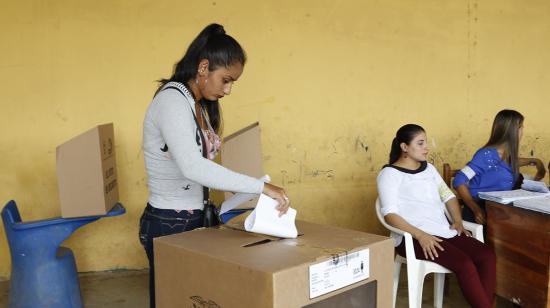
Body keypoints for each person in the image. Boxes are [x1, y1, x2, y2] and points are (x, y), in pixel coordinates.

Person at [139, 23, 290, 308]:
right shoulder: (172, 100)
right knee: (173, 300)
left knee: (196, 298)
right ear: (204, 67)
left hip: (195, 218)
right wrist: (262, 187)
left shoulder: (197, 104)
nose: (229, 89)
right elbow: (193, 168)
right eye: (226, 80)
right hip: (170, 222)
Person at [377, 124, 496, 308]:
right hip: (412, 237)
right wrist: (420, 235)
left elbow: (448, 196)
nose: (427, 147)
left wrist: (457, 220)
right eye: (420, 143)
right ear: (404, 147)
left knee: (486, 255)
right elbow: (390, 215)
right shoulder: (389, 175)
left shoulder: (429, 169)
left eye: (426, 142)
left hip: (443, 231)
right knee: (464, 264)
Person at [453, 109, 546, 225]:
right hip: (481, 212)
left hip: (498, 210)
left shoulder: (506, 154)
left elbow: (507, 163)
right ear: (512, 131)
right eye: (521, 127)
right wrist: (476, 209)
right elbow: (459, 180)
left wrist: (535, 161)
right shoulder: (485, 155)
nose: (523, 131)